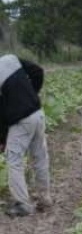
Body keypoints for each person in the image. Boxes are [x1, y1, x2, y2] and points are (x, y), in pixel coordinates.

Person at [0, 54, 50, 217]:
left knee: (14, 160)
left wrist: (2, 139)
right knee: (40, 156)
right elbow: (38, 71)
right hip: (37, 113)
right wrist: (32, 95)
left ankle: (23, 204)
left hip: (21, 121)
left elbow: (1, 114)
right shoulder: (10, 59)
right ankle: (45, 198)